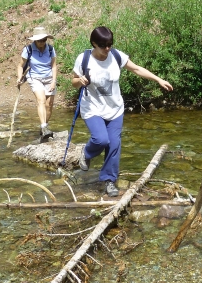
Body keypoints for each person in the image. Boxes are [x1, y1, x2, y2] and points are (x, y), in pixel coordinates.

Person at [71, 26, 173, 197]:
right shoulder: (84, 59)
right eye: (103, 45)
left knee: (114, 145)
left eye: (110, 44)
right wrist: (79, 81)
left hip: (115, 109)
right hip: (92, 108)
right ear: (94, 43)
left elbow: (137, 69)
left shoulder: (117, 56)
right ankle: (87, 153)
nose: (107, 49)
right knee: (100, 139)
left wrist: (158, 79)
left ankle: (109, 181)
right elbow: (73, 81)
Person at [17, 26, 58, 139]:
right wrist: (20, 77)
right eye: (40, 40)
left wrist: (54, 81)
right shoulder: (28, 50)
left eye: (44, 40)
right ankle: (44, 126)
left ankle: (44, 127)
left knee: (49, 105)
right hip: (35, 78)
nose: (42, 42)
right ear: (35, 40)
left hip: (49, 78)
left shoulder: (50, 49)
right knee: (41, 100)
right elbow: (20, 66)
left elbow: (54, 66)